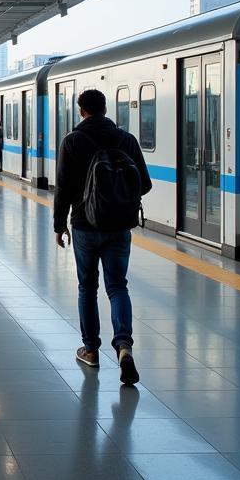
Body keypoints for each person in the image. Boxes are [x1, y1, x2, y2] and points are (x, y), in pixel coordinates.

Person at [53, 88, 152, 386]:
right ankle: (124, 347)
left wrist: (60, 225)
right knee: (117, 286)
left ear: (81, 110)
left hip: (85, 224)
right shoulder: (127, 139)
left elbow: (64, 188)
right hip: (120, 225)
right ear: (105, 108)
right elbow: (144, 184)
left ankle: (91, 350)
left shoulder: (72, 141)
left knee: (87, 287)